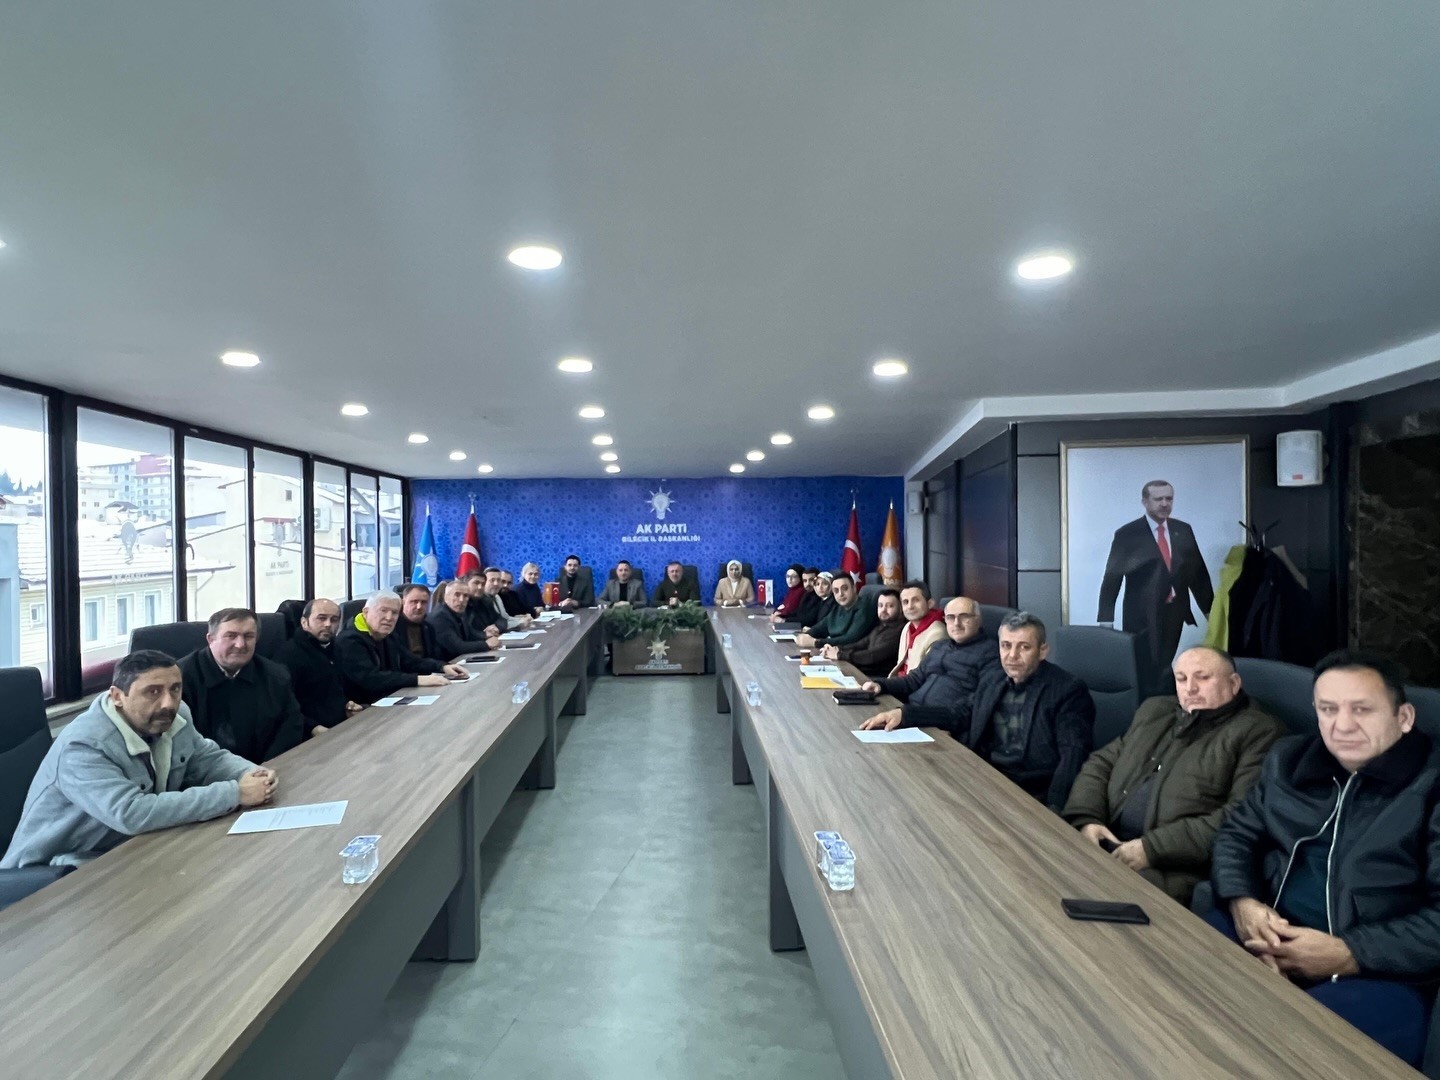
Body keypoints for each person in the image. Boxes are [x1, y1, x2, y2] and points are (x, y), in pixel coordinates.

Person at [1207, 650, 1440, 1068]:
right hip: (1269, 934)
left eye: (1362, 710)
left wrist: (1348, 953)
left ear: (1404, 717)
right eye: (1328, 709)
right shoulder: (1289, 761)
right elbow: (1236, 837)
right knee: (1173, 977)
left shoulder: (1430, 785)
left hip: (1382, 972)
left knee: (1277, 1051)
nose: (1342, 725)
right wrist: (1243, 903)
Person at [1, 650, 277, 870]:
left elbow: (206, 757)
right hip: (57, 873)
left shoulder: (175, 715)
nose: (168, 703)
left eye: (175, 689)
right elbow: (131, 813)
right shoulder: (83, 746)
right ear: (117, 697)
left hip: (131, 849)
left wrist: (250, 774)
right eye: (153, 691)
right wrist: (234, 793)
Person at [1062, 646, 1285, 903]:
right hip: (1108, 839)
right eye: (1181, 679)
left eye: (1203, 678)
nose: (1190, 688)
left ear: (1234, 684)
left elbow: (1238, 817)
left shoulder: (1259, 732)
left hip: (1173, 867)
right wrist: (1088, 819)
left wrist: (1152, 849)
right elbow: (1101, 763)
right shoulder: (1155, 710)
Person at [865, 611, 1094, 811]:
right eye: (1006, 646)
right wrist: (905, 715)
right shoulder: (995, 677)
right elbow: (960, 713)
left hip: (1028, 792)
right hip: (982, 775)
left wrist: (1054, 811)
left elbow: (1072, 755)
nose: (1012, 656)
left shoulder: (1067, 690)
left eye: (1024, 647)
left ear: (1042, 651)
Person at [1098, 480, 1214, 683]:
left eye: (1169, 499)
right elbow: (1112, 577)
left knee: (1165, 664)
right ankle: (1149, 700)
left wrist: (1211, 612)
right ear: (1145, 501)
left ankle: (1163, 697)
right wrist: (1106, 619)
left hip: (1174, 610)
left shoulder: (1183, 530)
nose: (1164, 504)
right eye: (1158, 499)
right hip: (1140, 613)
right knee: (1144, 667)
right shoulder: (1128, 534)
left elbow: (1197, 574)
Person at [178, 608, 304, 763]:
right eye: (231, 636)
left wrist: (269, 766)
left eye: (248, 636)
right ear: (211, 639)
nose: (240, 644)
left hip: (267, 768)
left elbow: (291, 725)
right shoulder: (180, 680)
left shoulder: (276, 676)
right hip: (202, 772)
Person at [860, 596, 997, 732]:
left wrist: (908, 715)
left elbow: (968, 711)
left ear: (978, 620)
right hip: (911, 716)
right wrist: (881, 685)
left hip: (941, 728)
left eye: (964, 617)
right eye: (950, 617)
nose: (956, 623)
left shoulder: (991, 654)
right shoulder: (940, 646)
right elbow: (913, 680)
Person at [334, 591, 467, 703]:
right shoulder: (349, 640)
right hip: (364, 708)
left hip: (390, 698)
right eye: (383, 611)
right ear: (366, 612)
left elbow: (410, 660)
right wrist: (418, 679)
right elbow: (371, 679)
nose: (389, 618)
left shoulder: (387, 633)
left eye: (394, 613)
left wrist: (442, 666)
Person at [274, 598, 365, 736]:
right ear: (304, 622)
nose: (328, 624)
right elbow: (283, 706)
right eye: (321, 618)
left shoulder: (336, 648)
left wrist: (348, 705)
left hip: (341, 727)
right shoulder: (289, 655)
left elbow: (339, 689)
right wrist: (312, 727)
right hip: (309, 734)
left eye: (334, 620)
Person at [821, 589, 904, 678]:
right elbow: (860, 644)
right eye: (880, 605)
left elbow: (872, 656)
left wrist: (839, 655)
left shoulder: (899, 631)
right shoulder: (880, 626)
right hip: (864, 672)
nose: (883, 609)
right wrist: (836, 648)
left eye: (890, 606)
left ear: (900, 609)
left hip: (877, 678)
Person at [794, 572, 874, 649]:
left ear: (854, 588)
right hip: (835, 651)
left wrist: (816, 642)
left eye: (844, 588)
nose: (840, 594)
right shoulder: (839, 606)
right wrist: (807, 635)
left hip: (852, 655)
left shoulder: (864, 607)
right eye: (836, 590)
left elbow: (850, 639)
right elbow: (822, 626)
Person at [429, 579, 499, 658]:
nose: (461, 600)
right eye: (457, 595)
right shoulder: (439, 617)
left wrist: (486, 634)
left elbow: (470, 634)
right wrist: (486, 644)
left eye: (465, 596)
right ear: (446, 597)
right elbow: (457, 647)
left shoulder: (458, 612)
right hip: (445, 662)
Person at [891, 579, 945, 677]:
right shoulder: (907, 627)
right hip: (900, 681)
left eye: (916, 600)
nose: (910, 606)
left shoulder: (937, 633)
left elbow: (928, 676)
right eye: (905, 602)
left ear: (930, 603)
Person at [396, 583, 447, 663]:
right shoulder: (393, 627)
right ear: (403, 602)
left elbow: (436, 656)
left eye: (423, 602)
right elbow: (406, 661)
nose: (419, 607)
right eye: (414, 602)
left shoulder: (428, 627)